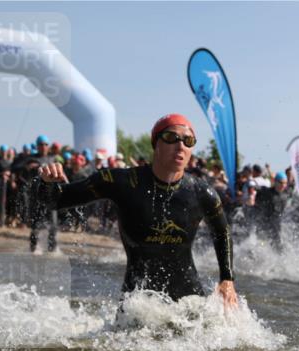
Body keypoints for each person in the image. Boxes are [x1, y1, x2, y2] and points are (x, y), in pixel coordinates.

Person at [35, 114, 236, 306]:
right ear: (155, 143)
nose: (180, 146)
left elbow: (222, 231)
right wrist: (46, 183)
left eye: (188, 141)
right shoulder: (121, 182)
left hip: (188, 300)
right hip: (138, 301)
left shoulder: (201, 192)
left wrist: (227, 279)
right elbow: (54, 200)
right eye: (171, 137)